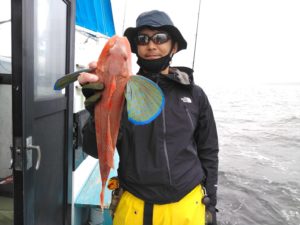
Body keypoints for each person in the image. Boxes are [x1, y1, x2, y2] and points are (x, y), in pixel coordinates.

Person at [78, 10, 219, 225]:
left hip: (188, 204)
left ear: (174, 46)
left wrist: (211, 201)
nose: (151, 45)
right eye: (143, 39)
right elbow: (93, 150)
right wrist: (98, 108)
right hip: (134, 205)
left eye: (160, 38)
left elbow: (208, 150)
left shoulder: (195, 94)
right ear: (135, 48)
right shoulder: (121, 93)